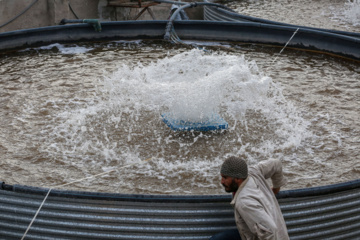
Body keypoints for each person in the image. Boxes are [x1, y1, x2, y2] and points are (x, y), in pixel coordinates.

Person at [210, 156, 289, 240]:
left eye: (225, 178)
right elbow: (276, 163)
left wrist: (276, 188)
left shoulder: (244, 202)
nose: (222, 181)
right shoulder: (253, 172)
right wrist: (276, 188)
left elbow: (270, 231)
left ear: (238, 178)